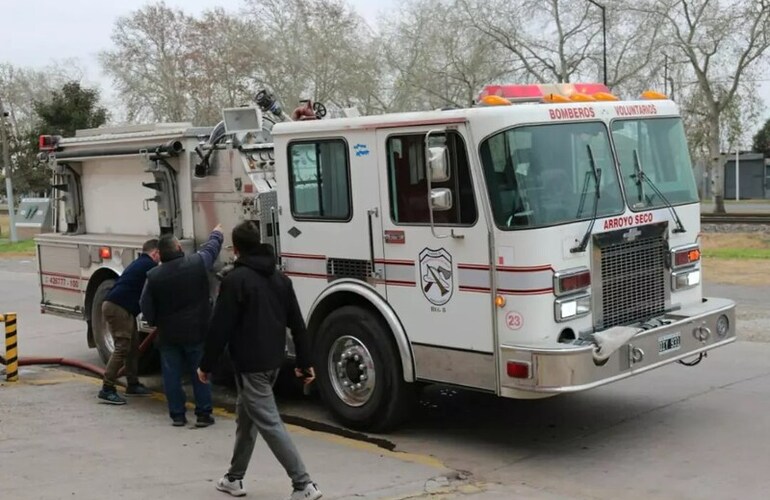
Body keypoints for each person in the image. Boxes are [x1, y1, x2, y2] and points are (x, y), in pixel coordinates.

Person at [197, 221, 321, 500]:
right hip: (274, 362)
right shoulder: (281, 279)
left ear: (236, 249)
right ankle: (234, 478)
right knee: (246, 419)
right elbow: (298, 325)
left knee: (269, 423)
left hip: (250, 365)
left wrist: (206, 365)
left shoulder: (235, 281)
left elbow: (220, 327)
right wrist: (304, 362)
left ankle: (304, 484)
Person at [140, 225, 223, 427]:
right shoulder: (195, 263)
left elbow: (145, 305)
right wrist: (217, 234)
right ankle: (203, 414)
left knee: (171, 376)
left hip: (168, 334)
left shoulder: (153, 276)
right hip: (196, 331)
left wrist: (155, 322)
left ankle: (177, 415)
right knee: (199, 372)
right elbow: (210, 251)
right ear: (178, 247)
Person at [97, 239, 160, 405]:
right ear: (155, 253)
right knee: (123, 347)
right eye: (160, 255)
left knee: (133, 347)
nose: (160, 259)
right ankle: (107, 388)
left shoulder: (140, 262)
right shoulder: (149, 266)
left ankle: (132, 383)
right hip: (118, 308)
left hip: (120, 307)